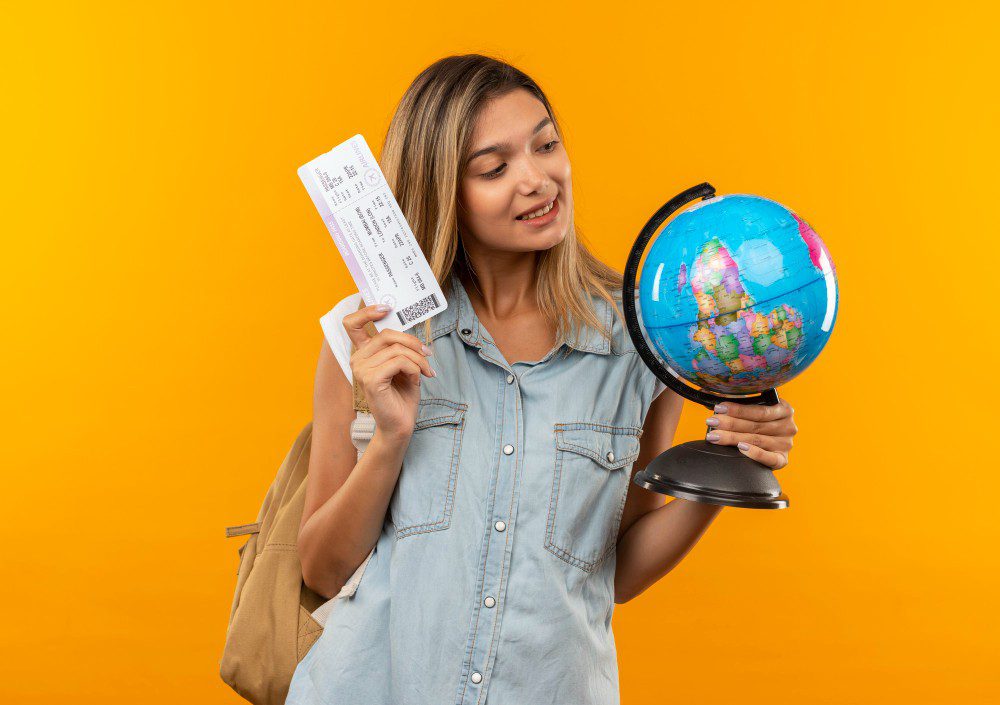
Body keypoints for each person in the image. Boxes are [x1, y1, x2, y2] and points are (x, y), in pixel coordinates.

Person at [288, 54, 798, 705]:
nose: (536, 179)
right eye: (494, 168)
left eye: (546, 144)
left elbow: (614, 569)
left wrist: (724, 465)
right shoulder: (369, 342)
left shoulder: (644, 341)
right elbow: (323, 570)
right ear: (443, 188)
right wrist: (390, 438)